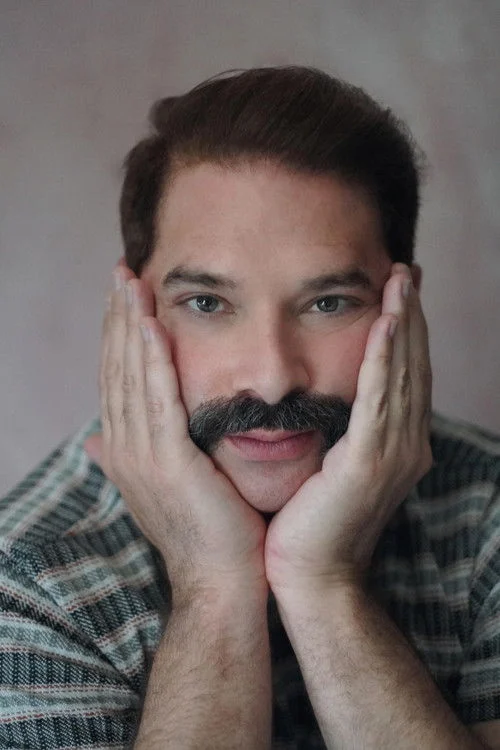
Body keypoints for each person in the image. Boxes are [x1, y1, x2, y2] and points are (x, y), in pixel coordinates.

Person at [1, 66, 499, 750]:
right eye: (207, 303)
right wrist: (213, 587)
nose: (270, 380)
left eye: (328, 303)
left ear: (403, 305)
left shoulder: (490, 517)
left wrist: (326, 585)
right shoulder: (28, 584)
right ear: (133, 310)